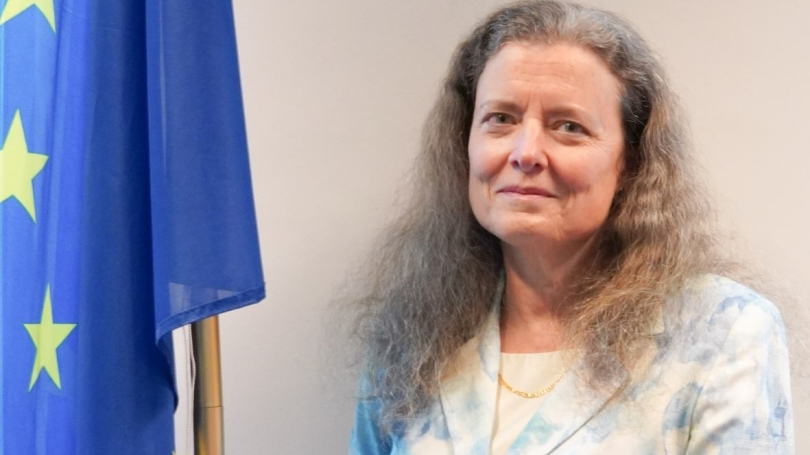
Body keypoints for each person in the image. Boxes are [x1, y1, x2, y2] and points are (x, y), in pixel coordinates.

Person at [347, 1, 794, 453]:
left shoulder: (724, 333)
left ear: (631, 162)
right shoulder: (413, 334)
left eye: (569, 126)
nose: (525, 153)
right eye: (500, 119)